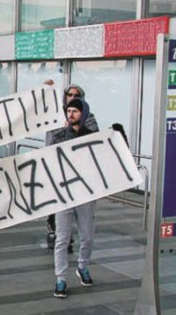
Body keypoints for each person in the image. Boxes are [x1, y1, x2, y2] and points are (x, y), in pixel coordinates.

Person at [44, 83, 99, 251]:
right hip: (59, 171)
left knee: (83, 214)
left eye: (76, 95)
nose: (73, 98)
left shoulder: (88, 117)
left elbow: (93, 138)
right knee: (58, 210)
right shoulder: (55, 116)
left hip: (81, 173)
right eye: (70, 95)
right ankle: (59, 236)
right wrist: (46, 91)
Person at [52, 98, 97, 299]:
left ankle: (82, 265)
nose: (71, 114)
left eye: (75, 111)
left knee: (87, 236)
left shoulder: (93, 137)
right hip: (63, 195)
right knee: (62, 239)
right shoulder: (59, 137)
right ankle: (61, 278)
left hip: (85, 194)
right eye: (68, 111)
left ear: (83, 113)